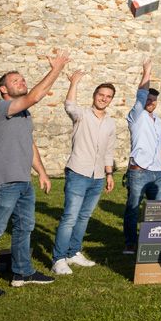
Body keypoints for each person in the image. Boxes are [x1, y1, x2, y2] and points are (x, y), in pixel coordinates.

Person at [0, 50, 67, 297]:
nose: (21, 82)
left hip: (23, 182)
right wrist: (57, 69)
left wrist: (41, 172)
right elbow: (35, 96)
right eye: (15, 81)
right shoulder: (0, 108)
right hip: (3, 183)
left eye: (22, 79)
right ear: (3, 89)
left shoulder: (24, 113)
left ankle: (22, 272)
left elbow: (29, 144)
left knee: (25, 228)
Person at [50, 68, 117, 275]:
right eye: (101, 95)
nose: (103, 99)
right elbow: (69, 105)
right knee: (70, 216)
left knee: (84, 217)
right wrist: (74, 82)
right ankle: (58, 258)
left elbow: (108, 151)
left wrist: (109, 174)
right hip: (78, 172)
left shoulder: (110, 123)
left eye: (108, 97)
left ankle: (74, 252)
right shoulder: (82, 115)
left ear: (111, 100)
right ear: (94, 96)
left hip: (97, 177)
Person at [123, 58, 161, 255]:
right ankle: (131, 243)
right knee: (133, 209)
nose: (150, 102)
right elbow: (141, 95)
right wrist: (147, 71)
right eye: (148, 100)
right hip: (139, 171)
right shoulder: (136, 116)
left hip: (158, 172)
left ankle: (154, 244)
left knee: (159, 211)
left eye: (153, 100)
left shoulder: (158, 120)